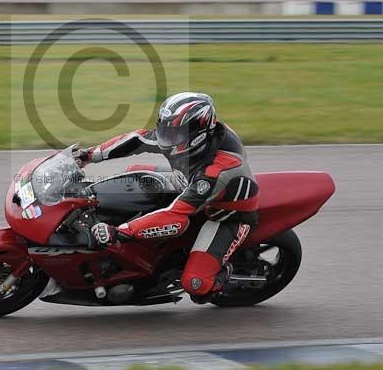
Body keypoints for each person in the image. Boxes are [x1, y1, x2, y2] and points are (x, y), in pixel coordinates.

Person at [77, 92, 259, 300]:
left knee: (197, 285)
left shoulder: (216, 171)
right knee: (135, 173)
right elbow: (137, 139)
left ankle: (223, 273)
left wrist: (119, 232)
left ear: (197, 133)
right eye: (165, 129)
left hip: (225, 215)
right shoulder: (187, 137)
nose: (165, 138)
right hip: (189, 183)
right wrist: (88, 155)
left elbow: (176, 217)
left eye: (174, 133)